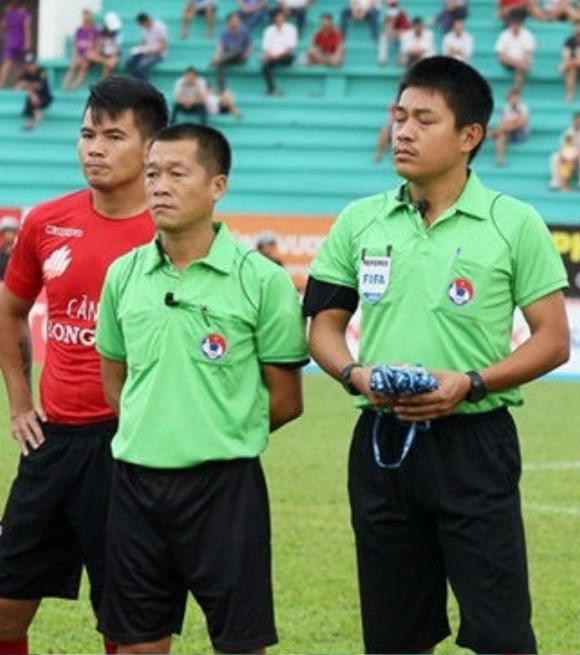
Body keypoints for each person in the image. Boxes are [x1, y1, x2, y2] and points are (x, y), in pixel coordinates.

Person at [305, 56, 568, 654]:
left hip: (475, 443)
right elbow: (321, 324)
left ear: (470, 136)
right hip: (381, 443)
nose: (404, 131)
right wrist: (353, 373)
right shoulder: (360, 220)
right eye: (399, 117)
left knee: (500, 633)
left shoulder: (514, 223)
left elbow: (553, 339)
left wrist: (471, 383)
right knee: (394, 635)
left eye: (424, 119)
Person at [94, 124, 305, 654]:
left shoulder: (263, 280)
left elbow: (284, 399)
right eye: (152, 173)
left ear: (217, 185)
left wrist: (214, 430)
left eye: (176, 173)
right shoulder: (124, 275)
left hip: (225, 490)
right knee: (137, 642)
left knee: (239, 643)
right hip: (135, 485)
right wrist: (158, 429)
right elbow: (115, 383)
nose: (159, 186)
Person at [0, 76, 167, 655]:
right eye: (87, 133)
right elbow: (10, 308)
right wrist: (20, 399)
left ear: (152, 148)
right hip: (51, 442)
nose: (94, 147)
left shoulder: (171, 231)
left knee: (130, 624)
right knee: (5, 605)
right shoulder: (46, 221)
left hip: (129, 446)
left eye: (113, 135)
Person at [549, 111, 580, 189]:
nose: (578, 122)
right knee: (554, 157)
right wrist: (563, 156)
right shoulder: (567, 131)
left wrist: (577, 157)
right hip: (568, 154)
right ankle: (555, 182)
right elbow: (562, 146)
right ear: (573, 120)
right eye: (576, 120)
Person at [210, 13, 253, 93]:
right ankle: (222, 89)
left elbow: (249, 46)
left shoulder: (244, 31)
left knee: (237, 51)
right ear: (228, 22)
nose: (236, 23)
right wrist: (216, 56)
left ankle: (218, 61)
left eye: (237, 21)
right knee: (220, 63)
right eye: (234, 21)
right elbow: (220, 47)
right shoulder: (224, 32)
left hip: (240, 56)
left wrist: (246, 55)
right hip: (227, 57)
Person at [261, 9, 298, 95]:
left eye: (281, 17)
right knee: (264, 66)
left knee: (287, 57)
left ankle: (272, 90)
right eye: (277, 17)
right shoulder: (268, 30)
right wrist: (268, 55)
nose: (279, 19)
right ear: (274, 19)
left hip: (286, 56)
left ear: (284, 18)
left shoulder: (291, 28)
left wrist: (275, 56)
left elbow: (290, 48)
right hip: (272, 57)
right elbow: (266, 48)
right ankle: (272, 89)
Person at [62, 9, 100, 91]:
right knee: (74, 65)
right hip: (80, 55)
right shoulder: (79, 30)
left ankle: (74, 87)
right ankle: (65, 86)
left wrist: (88, 57)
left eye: (87, 16)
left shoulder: (94, 30)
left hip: (89, 56)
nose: (85, 18)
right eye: (84, 16)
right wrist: (76, 56)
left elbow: (97, 46)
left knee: (84, 66)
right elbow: (75, 45)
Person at [125, 13, 169, 83]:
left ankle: (145, 85)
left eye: (142, 24)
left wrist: (150, 52)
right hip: (146, 52)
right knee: (129, 62)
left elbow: (163, 46)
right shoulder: (144, 28)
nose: (142, 27)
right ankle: (135, 83)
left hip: (157, 54)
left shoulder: (160, 27)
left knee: (143, 66)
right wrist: (138, 49)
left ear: (146, 21)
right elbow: (143, 42)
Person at [495, 15, 535, 88]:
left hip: (523, 63)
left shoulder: (527, 35)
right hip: (508, 62)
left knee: (521, 68)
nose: (515, 25)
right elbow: (501, 56)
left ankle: (515, 92)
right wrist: (518, 63)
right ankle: (515, 93)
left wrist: (523, 63)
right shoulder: (504, 35)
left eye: (517, 23)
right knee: (520, 66)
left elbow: (527, 55)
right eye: (513, 23)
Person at [0, 1, 31, 88]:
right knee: (23, 66)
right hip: (21, 43)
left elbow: (2, 26)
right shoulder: (25, 15)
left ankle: (1, 84)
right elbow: (27, 29)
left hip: (10, 42)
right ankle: (19, 86)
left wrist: (3, 35)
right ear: (21, 6)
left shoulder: (8, 15)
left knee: (7, 65)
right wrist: (28, 42)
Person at [15, 59, 50, 132]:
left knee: (36, 104)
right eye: (29, 65)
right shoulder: (25, 74)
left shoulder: (41, 72)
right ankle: (31, 125)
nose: (31, 67)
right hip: (33, 97)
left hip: (45, 96)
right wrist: (32, 93)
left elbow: (40, 86)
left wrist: (26, 84)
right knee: (31, 99)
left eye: (32, 64)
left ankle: (34, 126)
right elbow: (17, 88)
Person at [377, 0, 410, 66]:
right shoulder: (387, 15)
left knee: (404, 37)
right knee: (383, 37)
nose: (392, 7)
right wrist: (391, 22)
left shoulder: (402, 14)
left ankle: (403, 60)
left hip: (401, 37)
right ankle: (382, 60)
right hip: (393, 36)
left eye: (393, 5)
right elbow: (386, 31)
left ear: (397, 5)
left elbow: (404, 31)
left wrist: (392, 32)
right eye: (390, 5)